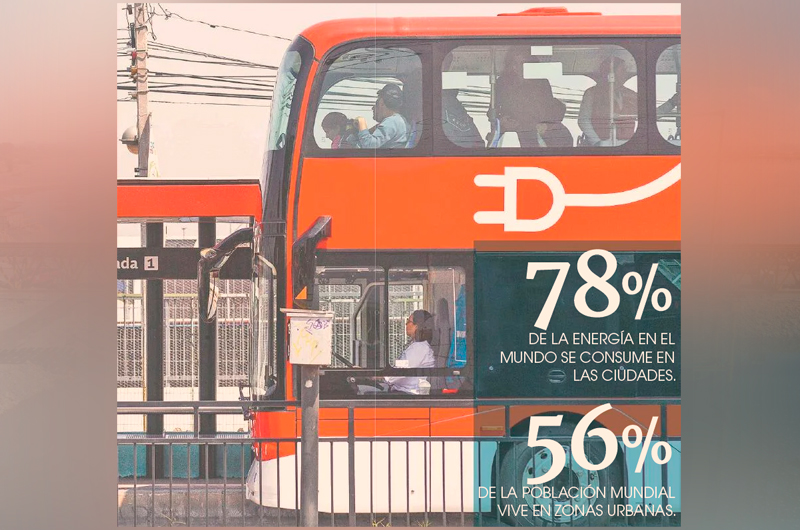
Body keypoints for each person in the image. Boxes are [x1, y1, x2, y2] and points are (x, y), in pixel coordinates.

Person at [492, 47, 567, 148]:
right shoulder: (501, 83)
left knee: (564, 137)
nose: (516, 67)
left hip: (537, 129)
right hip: (510, 133)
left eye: (522, 63)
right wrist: (502, 120)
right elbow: (492, 111)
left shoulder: (542, 82)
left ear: (531, 64)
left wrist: (546, 125)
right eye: (513, 63)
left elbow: (550, 109)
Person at [578, 56, 638, 146]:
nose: (625, 73)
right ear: (611, 74)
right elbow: (583, 120)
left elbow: (645, 116)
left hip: (628, 146)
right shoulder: (592, 93)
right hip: (600, 147)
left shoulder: (631, 94)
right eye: (622, 70)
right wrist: (597, 142)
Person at [383, 310, 436, 394]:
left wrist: (381, 376)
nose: (406, 324)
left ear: (417, 326)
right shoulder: (417, 346)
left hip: (407, 393)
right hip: (401, 390)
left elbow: (402, 371)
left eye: (408, 321)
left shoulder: (420, 348)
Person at [353, 83, 410, 148]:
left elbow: (369, 145)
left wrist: (361, 122)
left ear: (381, 102)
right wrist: (362, 131)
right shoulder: (398, 121)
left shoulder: (392, 122)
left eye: (377, 103)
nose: (373, 108)